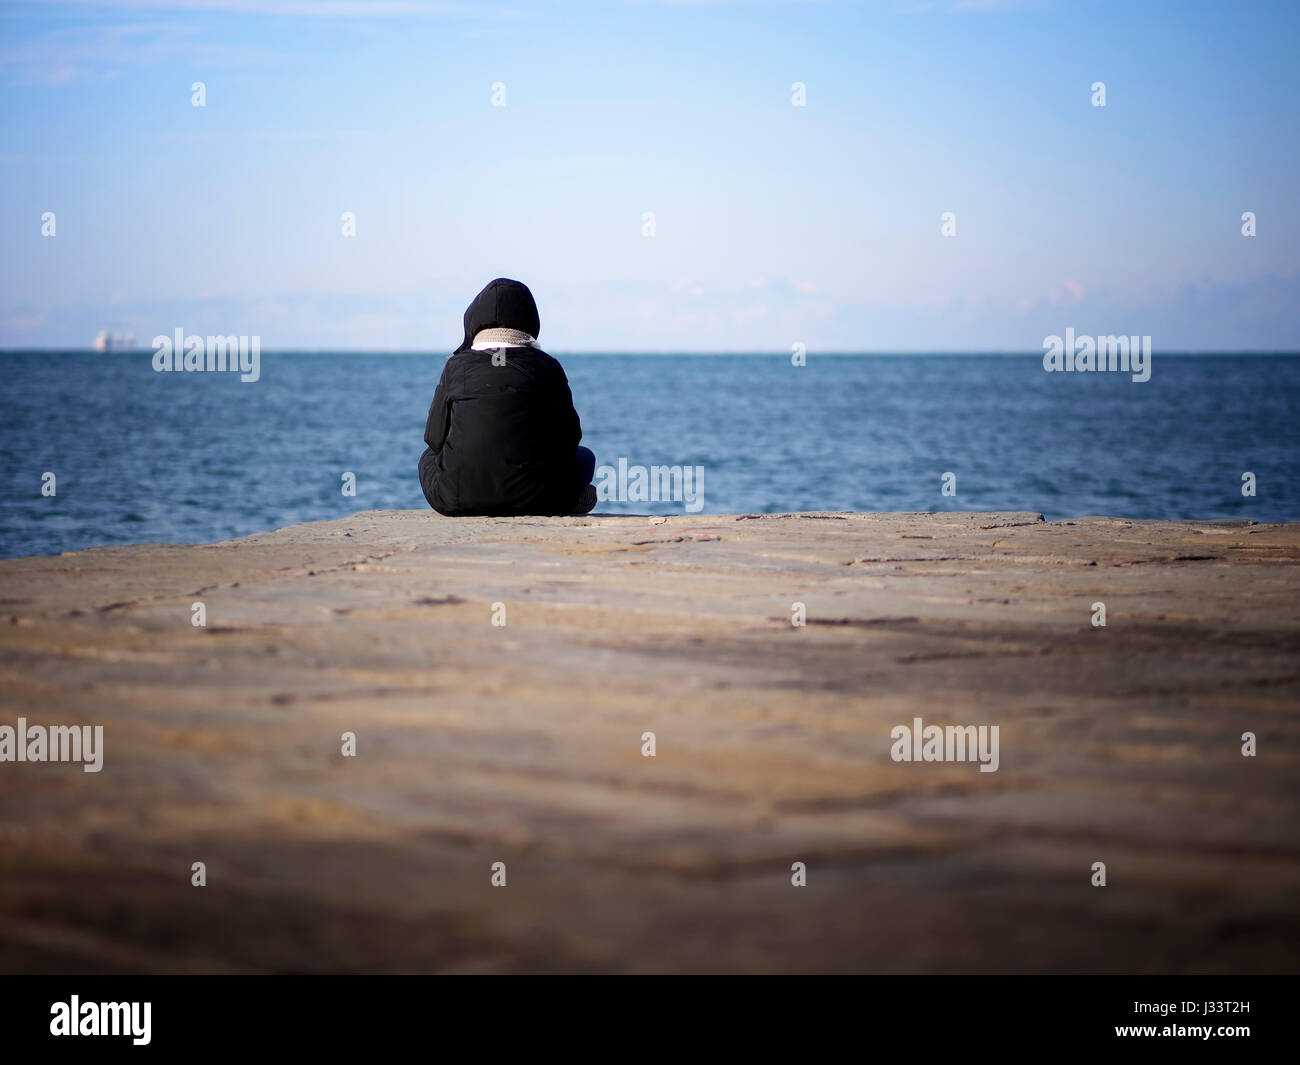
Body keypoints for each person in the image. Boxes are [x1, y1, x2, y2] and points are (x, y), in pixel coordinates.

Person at [418, 278, 596, 516]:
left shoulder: (456, 366)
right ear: (530, 321)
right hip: (538, 500)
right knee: (585, 457)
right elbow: (570, 438)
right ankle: (568, 499)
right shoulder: (549, 367)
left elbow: (433, 438)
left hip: (457, 499)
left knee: (427, 458)